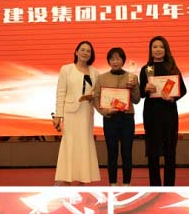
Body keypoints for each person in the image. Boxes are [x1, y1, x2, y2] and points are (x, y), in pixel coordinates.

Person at [140, 36, 187, 186]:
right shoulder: (147, 69)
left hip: (169, 113)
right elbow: (140, 93)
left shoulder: (172, 67)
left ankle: (169, 186)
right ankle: (155, 186)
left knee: (169, 151)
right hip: (151, 114)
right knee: (153, 152)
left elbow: (183, 90)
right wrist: (145, 88)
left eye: (161, 47)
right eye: (155, 47)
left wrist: (172, 98)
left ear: (166, 49)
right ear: (150, 50)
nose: (158, 49)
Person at [53, 40, 101, 185]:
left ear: (91, 55)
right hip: (70, 114)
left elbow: (98, 93)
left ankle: (83, 179)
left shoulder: (95, 72)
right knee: (69, 144)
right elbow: (60, 93)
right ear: (76, 52)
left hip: (86, 113)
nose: (85, 52)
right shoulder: (66, 69)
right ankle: (66, 179)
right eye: (82, 49)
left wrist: (94, 96)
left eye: (88, 51)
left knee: (84, 144)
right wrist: (58, 115)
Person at [94, 46, 140, 186]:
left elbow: (136, 100)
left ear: (123, 60)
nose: (115, 61)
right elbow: (96, 98)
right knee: (112, 152)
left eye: (118, 59)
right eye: (112, 59)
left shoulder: (132, 77)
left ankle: (127, 183)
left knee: (127, 152)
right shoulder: (101, 78)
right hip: (110, 119)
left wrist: (134, 87)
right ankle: (112, 183)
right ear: (108, 61)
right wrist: (105, 112)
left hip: (127, 118)